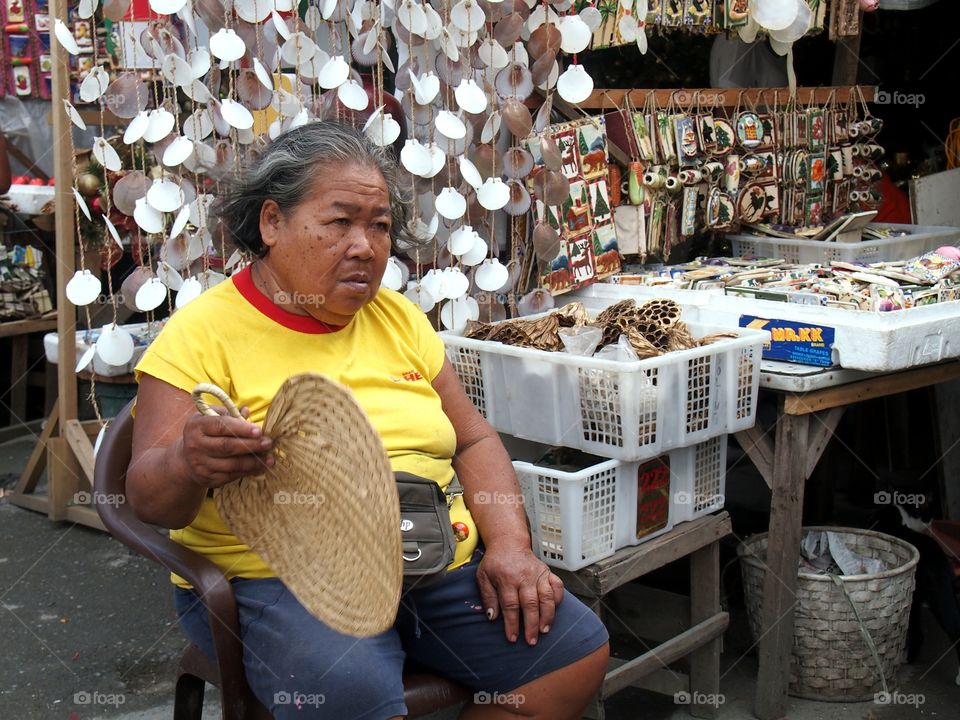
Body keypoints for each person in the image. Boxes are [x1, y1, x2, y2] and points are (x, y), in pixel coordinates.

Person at [127, 122, 609, 720]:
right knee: (346, 692)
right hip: (279, 579)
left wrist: (510, 545)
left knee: (569, 650)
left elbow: (474, 438)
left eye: (379, 225)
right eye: (339, 222)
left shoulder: (399, 318)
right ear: (272, 223)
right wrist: (186, 463)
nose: (366, 245)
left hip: (428, 552)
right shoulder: (200, 333)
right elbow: (151, 501)